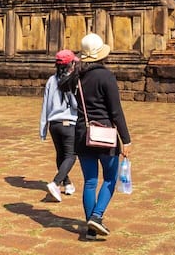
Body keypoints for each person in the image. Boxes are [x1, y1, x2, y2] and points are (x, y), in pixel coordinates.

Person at [73, 33, 131, 240]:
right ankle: (96, 217)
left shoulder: (77, 77)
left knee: (90, 181)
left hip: (82, 133)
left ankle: (90, 230)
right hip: (105, 134)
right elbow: (115, 111)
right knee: (109, 179)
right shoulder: (106, 76)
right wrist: (127, 139)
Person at [37, 49, 81, 203]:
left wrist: (43, 126)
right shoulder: (72, 80)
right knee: (71, 155)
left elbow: (46, 105)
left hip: (54, 124)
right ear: (70, 65)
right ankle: (55, 183)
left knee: (61, 155)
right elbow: (75, 105)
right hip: (69, 123)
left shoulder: (51, 80)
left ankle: (67, 183)